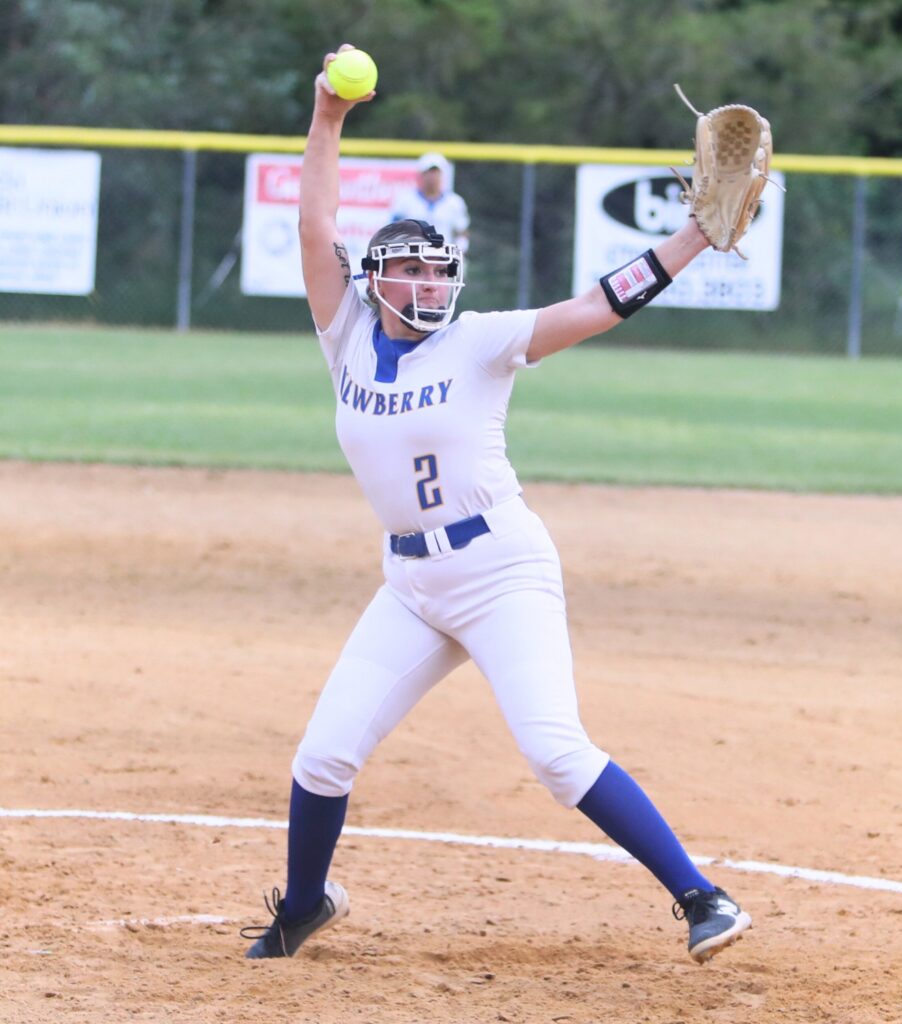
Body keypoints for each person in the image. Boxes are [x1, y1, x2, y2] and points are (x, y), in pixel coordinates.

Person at [241, 43, 753, 966]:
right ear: (377, 281)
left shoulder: (479, 341)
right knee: (321, 758)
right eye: (413, 272)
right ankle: (305, 906)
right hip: (409, 581)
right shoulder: (347, 336)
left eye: (441, 271)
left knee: (557, 752)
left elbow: (597, 306)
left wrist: (691, 241)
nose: (430, 284)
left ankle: (702, 897)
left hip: (501, 566)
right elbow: (316, 228)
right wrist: (327, 116)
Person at [388, 150, 470, 251]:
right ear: (421, 174)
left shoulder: (454, 202)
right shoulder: (405, 200)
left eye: (436, 172)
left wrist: (459, 250)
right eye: (428, 172)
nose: (432, 176)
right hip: (412, 255)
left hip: (443, 257)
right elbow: (392, 229)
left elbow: (461, 231)